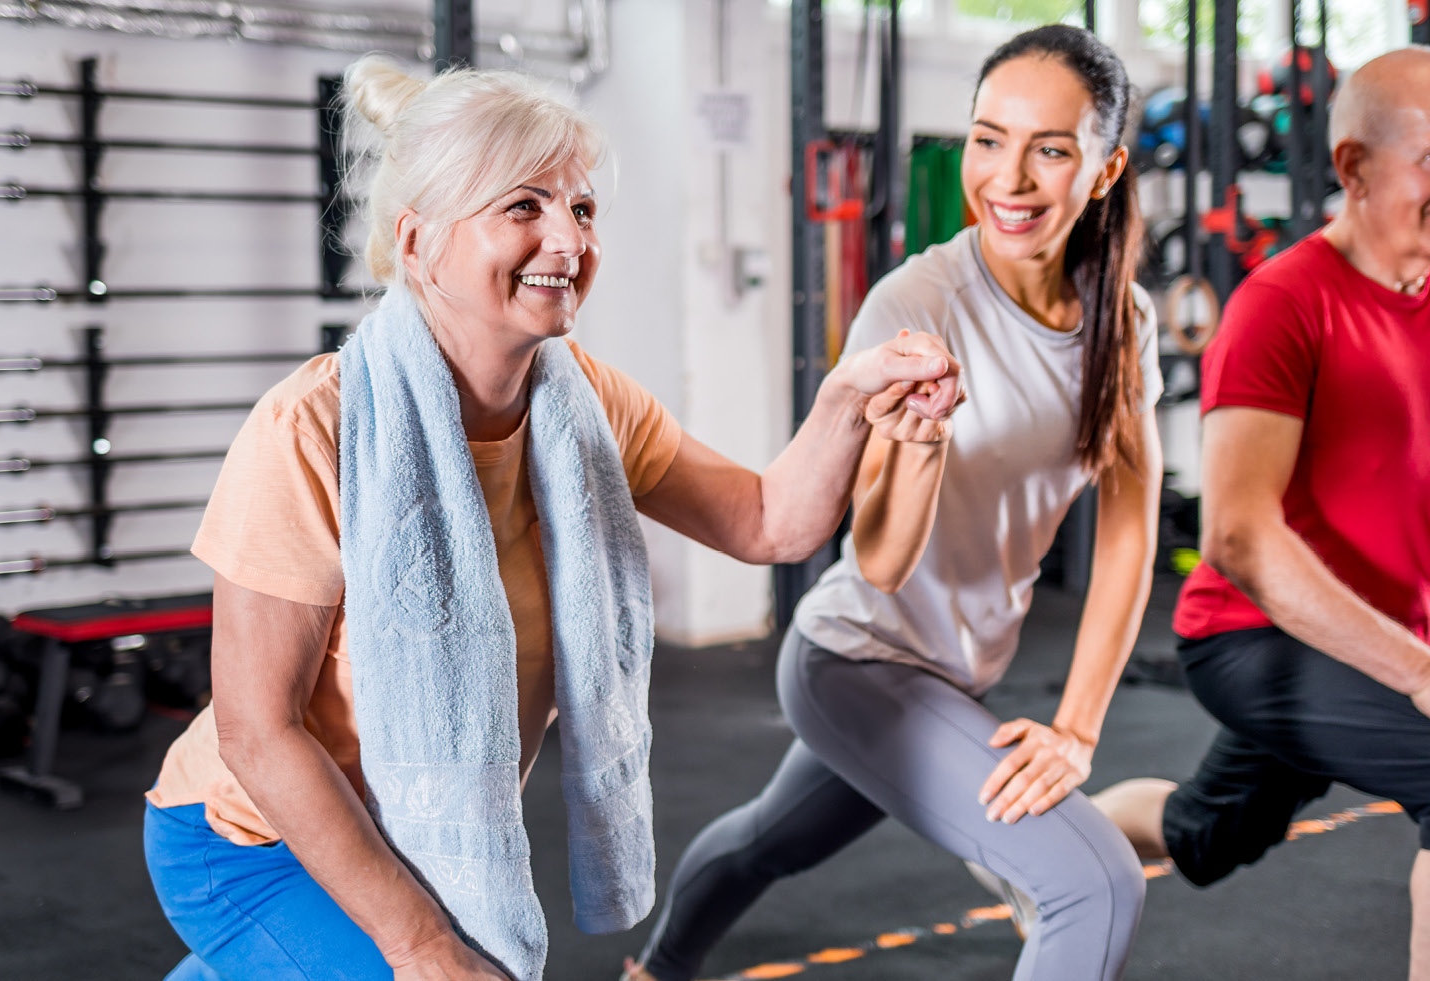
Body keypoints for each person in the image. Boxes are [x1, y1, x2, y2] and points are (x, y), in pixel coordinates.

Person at [139, 56, 964, 981]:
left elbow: (768, 522)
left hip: (400, 829)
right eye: (522, 207)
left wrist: (849, 398)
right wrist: (420, 946)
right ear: (417, 243)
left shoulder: (588, 410)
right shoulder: (316, 428)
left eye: (580, 208)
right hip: (245, 838)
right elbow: (258, 731)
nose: (567, 240)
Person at [626, 26, 1162, 981]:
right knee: (1095, 883)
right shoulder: (918, 303)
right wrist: (916, 446)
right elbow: (874, 557)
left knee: (768, 842)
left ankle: (655, 969)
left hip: (957, 674)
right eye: (988, 139)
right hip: (855, 658)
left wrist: (1077, 728)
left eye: (1050, 148)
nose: (1010, 177)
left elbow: (1128, 522)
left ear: (1106, 167)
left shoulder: (1119, 316)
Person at [1090, 47, 1430, 981]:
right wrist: (1429, 676)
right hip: (1253, 639)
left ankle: (1061, 841)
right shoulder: (1283, 303)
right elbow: (1236, 536)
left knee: (1211, 830)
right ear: (1353, 167)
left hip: (1380, 646)